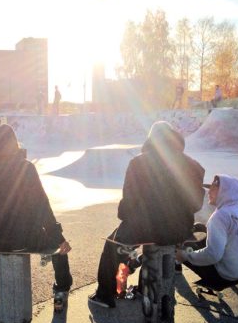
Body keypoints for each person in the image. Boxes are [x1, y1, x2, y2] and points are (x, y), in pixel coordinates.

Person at [88, 121, 205, 308]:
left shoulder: (138, 162)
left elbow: (129, 201)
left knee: (112, 245)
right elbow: (197, 203)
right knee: (145, 240)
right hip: (179, 230)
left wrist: (125, 219)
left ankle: (105, 295)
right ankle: (144, 288)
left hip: (144, 228)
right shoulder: (194, 165)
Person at [0, 124, 73, 299]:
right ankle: (63, 286)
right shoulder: (26, 168)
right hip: (29, 238)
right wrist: (59, 239)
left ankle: (6, 279)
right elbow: (42, 206)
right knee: (58, 247)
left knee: (7, 244)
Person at [175, 175, 238, 287]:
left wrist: (185, 255)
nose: (208, 192)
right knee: (204, 236)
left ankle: (176, 265)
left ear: (224, 192)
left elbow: (213, 255)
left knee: (185, 248)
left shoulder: (220, 216)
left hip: (223, 276)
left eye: (213, 189)